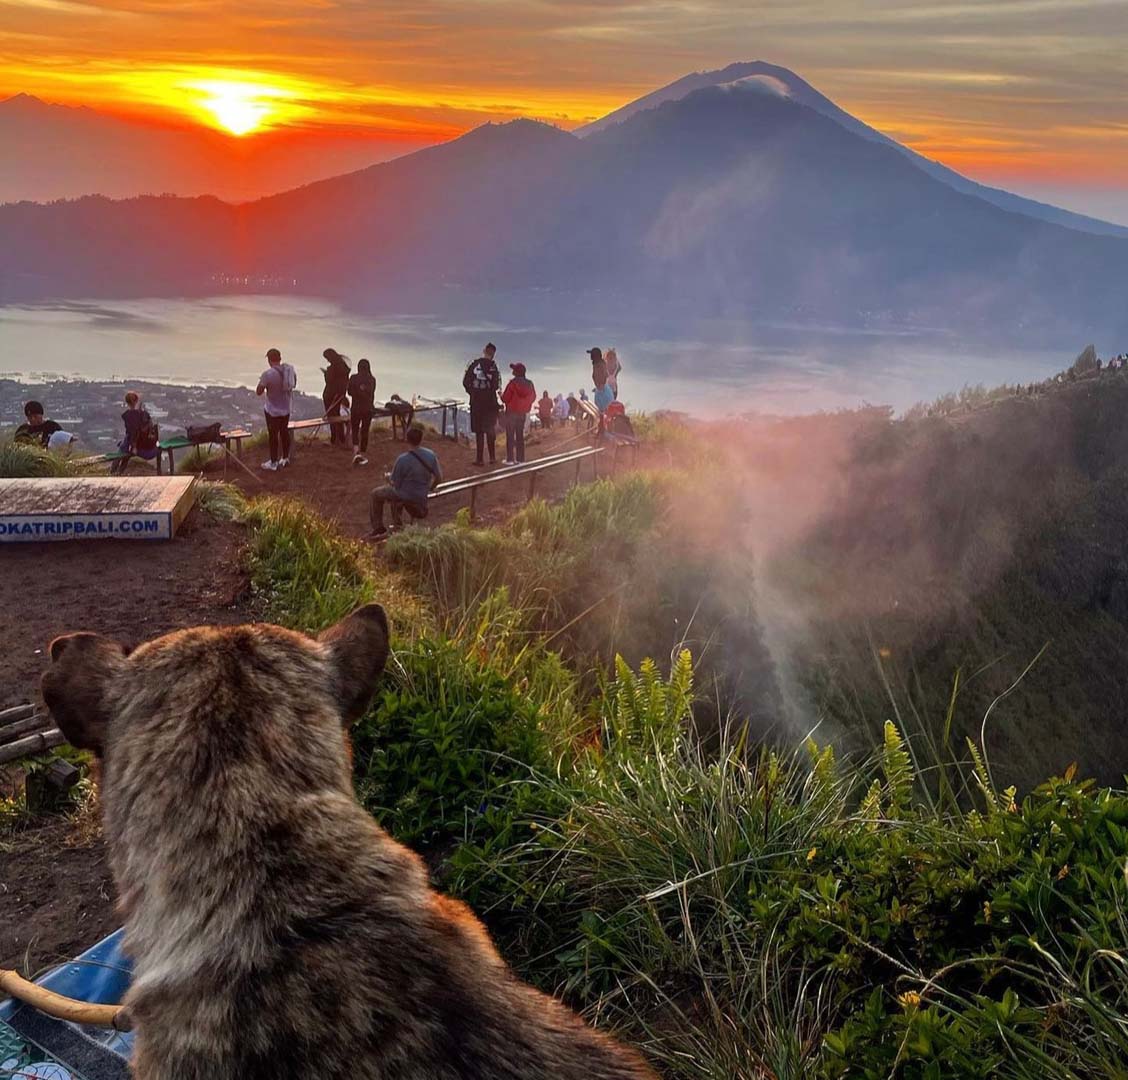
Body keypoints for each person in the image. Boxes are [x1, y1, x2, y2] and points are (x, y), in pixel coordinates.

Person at [368, 425, 442, 537]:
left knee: (375, 494)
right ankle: (397, 524)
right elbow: (439, 477)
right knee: (395, 495)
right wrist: (430, 488)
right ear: (421, 439)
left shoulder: (402, 459)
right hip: (421, 495)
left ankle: (378, 528)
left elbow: (395, 484)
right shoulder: (431, 455)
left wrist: (388, 477)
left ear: (407, 440)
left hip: (404, 495)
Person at [256, 347, 297, 471]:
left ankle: (273, 462)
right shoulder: (289, 371)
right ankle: (285, 458)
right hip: (286, 408)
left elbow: (259, 391)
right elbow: (293, 384)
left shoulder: (268, 374)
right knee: (284, 432)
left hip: (272, 411)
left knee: (273, 435)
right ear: (280, 359)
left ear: (269, 360)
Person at [462, 342, 501, 466]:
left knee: (479, 431)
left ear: (484, 351)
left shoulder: (473, 364)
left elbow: (465, 381)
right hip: (490, 403)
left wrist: (473, 393)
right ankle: (492, 457)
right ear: (493, 354)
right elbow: (496, 385)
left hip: (476, 402)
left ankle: (479, 459)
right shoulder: (494, 367)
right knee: (490, 429)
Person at [111, 390, 159, 474]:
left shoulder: (129, 416)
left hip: (140, 450)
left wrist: (133, 447)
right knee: (125, 445)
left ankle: (113, 472)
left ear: (127, 402)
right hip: (152, 449)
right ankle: (118, 472)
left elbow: (132, 434)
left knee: (123, 448)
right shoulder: (145, 414)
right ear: (137, 400)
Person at [500, 362, 536, 464]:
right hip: (522, 413)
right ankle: (521, 459)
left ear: (516, 372)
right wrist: (525, 404)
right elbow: (533, 397)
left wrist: (500, 395)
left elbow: (505, 399)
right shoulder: (530, 384)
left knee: (510, 436)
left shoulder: (512, 384)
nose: (512, 371)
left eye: (514, 370)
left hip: (511, 413)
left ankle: (510, 459)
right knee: (520, 436)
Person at [347, 358, 377, 466]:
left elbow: (349, 392)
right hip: (367, 409)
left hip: (356, 408)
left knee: (355, 430)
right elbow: (371, 394)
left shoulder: (353, 378)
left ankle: (356, 451)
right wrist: (363, 390)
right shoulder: (372, 379)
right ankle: (363, 452)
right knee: (365, 430)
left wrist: (358, 391)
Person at [321, 347, 352, 447]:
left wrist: (325, 373)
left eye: (327, 358)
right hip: (339, 395)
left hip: (330, 395)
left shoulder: (333, 368)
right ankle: (340, 438)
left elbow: (329, 381)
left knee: (331, 417)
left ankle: (334, 439)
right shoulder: (344, 367)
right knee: (337, 414)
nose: (327, 360)